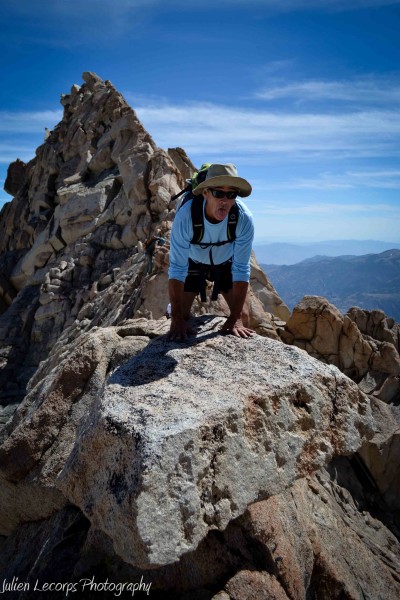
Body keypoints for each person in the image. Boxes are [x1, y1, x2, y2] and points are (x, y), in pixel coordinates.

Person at [168, 163, 254, 340]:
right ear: (205, 192)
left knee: (243, 317)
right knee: (182, 318)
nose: (225, 200)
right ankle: (172, 310)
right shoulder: (186, 216)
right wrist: (176, 318)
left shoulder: (243, 218)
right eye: (218, 193)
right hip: (193, 262)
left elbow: (241, 269)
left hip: (225, 264)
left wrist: (235, 318)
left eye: (231, 194)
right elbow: (177, 269)